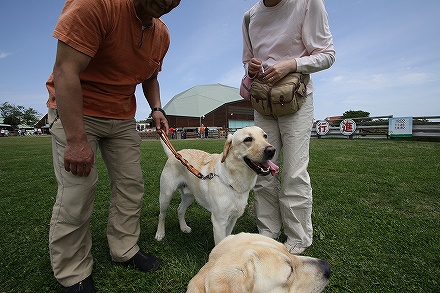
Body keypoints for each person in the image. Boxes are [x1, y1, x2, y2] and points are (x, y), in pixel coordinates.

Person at [45, 0, 181, 291]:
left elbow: (150, 76)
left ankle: (125, 249)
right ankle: (73, 272)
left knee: (131, 186)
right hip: (78, 112)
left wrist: (157, 108)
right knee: (77, 192)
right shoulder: (96, 5)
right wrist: (76, 140)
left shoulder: (162, 34)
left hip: (121, 116)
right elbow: (65, 69)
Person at [242, 0, 335, 254]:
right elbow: (247, 60)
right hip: (263, 103)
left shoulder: (308, 3)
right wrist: (250, 68)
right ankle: (267, 231)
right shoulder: (250, 16)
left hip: (296, 101)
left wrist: (291, 64)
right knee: (261, 170)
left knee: (293, 172)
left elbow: (327, 54)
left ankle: (298, 237)